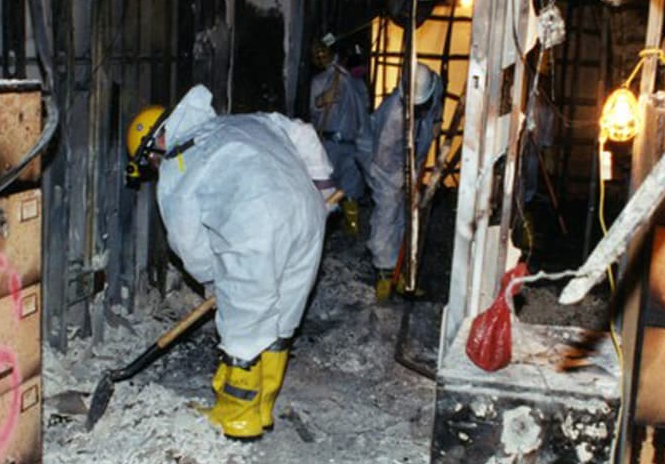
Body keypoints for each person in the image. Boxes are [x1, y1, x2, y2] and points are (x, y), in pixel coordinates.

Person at [125, 84, 335, 439]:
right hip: (307, 212)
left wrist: (217, 285)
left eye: (149, 161)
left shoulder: (178, 164)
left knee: (244, 325)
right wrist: (323, 189)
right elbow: (302, 132)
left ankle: (237, 417)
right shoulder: (243, 122)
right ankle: (263, 406)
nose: (154, 168)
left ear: (155, 143)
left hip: (253, 225)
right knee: (283, 316)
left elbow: (190, 247)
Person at [366, 62, 444, 301]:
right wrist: (407, 183)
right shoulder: (393, 116)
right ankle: (383, 270)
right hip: (386, 169)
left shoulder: (432, 86)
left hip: (411, 160)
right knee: (387, 215)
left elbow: (435, 106)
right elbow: (385, 159)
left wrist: (436, 123)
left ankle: (400, 269)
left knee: (405, 217)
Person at [307, 35, 372, 235]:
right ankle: (323, 224)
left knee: (348, 186)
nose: (322, 57)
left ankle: (348, 226)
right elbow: (314, 110)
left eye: (323, 53)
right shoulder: (322, 82)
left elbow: (363, 113)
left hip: (348, 143)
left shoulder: (352, 82)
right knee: (331, 185)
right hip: (331, 142)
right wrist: (321, 101)